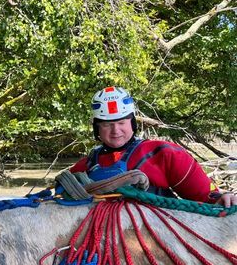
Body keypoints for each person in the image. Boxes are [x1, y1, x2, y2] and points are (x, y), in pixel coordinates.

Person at [70, 86, 237, 207]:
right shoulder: (84, 167)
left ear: (132, 123)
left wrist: (221, 197)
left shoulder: (165, 154)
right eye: (107, 125)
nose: (116, 131)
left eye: (121, 122)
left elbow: (205, 195)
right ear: (97, 128)